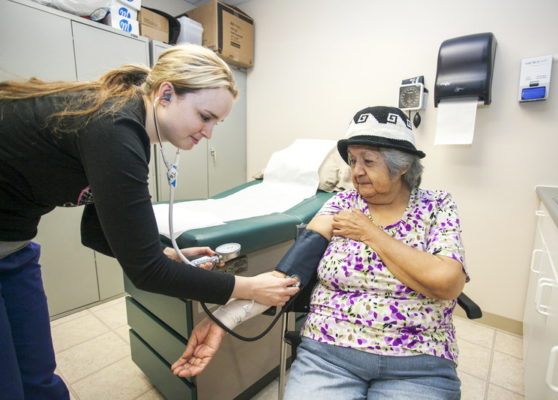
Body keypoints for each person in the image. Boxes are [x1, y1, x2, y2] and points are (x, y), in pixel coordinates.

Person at [0, 44, 299, 400]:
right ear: (166, 94)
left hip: (13, 247)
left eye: (216, 123)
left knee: (36, 375)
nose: (208, 134)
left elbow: (95, 233)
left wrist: (166, 255)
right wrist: (248, 288)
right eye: (205, 117)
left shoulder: (124, 130)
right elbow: (146, 272)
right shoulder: (114, 129)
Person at [172, 106, 468, 400]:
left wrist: (370, 233)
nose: (356, 172)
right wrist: (223, 319)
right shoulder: (342, 203)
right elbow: (288, 274)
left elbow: (447, 283)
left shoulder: (436, 205)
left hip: (418, 363)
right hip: (329, 357)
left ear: (402, 165)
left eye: (368, 160)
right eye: (352, 160)